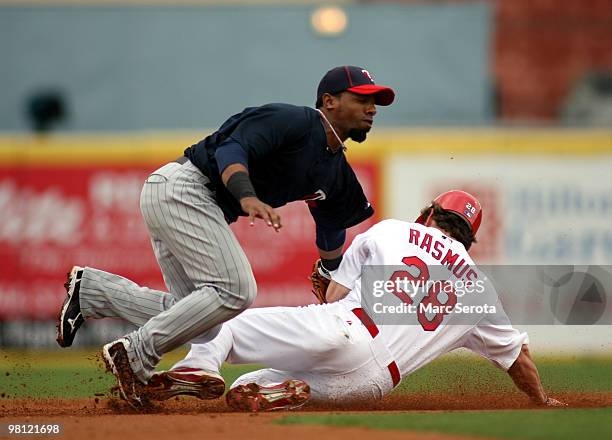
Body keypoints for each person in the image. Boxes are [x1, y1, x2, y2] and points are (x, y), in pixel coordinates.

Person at [55, 66, 395, 408]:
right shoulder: (295, 121)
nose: (372, 108)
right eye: (362, 98)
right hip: (185, 188)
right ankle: (136, 353)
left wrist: (331, 271)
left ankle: (93, 292)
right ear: (330, 100)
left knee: (203, 325)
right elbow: (231, 150)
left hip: (190, 200)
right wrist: (246, 196)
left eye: (376, 101)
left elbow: (332, 226)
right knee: (236, 290)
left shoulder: (336, 171)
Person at [144, 190, 566, 412]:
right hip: (374, 382)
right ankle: (294, 391)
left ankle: (196, 366)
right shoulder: (478, 288)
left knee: (227, 324)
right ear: (469, 240)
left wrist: (325, 289)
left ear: (429, 215)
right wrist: (540, 401)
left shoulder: (393, 230)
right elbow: (518, 358)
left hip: (346, 327)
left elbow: (334, 296)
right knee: (247, 390)